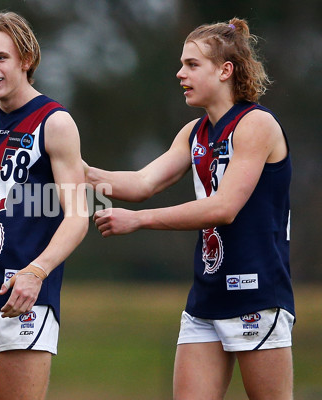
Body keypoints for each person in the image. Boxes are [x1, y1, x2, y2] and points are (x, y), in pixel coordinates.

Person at [85, 18, 294, 400]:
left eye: (192, 65)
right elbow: (142, 183)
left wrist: (138, 221)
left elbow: (224, 208)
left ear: (225, 70)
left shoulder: (256, 125)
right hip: (206, 296)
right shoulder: (194, 133)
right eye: (182, 64)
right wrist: (75, 170)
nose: (180, 73)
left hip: (257, 295)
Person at [0, 11, 88, 400]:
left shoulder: (56, 122)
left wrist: (36, 272)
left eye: (0, 58)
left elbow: (78, 217)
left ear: (26, 60)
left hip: (25, 296)